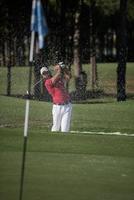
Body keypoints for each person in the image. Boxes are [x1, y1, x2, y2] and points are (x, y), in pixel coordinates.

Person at [40, 62, 72, 132]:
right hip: (57, 108)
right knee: (56, 128)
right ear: (43, 76)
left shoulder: (58, 77)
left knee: (65, 130)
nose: (45, 74)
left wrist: (65, 69)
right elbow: (56, 77)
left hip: (67, 106)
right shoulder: (47, 83)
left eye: (46, 72)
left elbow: (69, 77)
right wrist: (59, 68)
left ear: (48, 72)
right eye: (43, 73)